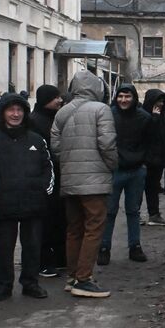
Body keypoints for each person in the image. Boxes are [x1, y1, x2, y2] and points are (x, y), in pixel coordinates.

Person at [50, 70, 117, 298]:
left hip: (70, 179)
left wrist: (70, 164)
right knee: (94, 227)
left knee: (74, 229)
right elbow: (107, 144)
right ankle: (84, 278)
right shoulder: (102, 110)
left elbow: (56, 148)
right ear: (97, 88)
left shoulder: (62, 112)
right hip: (94, 181)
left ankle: (72, 275)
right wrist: (111, 165)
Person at [0, 92, 51, 301]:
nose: (15, 114)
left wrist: (44, 188)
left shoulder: (37, 140)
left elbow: (48, 167)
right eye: (11, 109)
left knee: (32, 246)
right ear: (2, 113)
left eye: (20, 110)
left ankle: (30, 283)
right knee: (4, 247)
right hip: (5, 204)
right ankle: (3, 286)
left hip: (34, 203)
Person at [99, 83, 152, 266]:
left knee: (133, 211)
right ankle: (104, 248)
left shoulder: (144, 117)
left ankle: (135, 246)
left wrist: (143, 161)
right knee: (109, 211)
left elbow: (150, 141)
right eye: (121, 96)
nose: (124, 100)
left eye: (128, 96)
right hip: (114, 170)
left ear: (134, 97)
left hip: (136, 170)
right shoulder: (108, 115)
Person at [29, 84, 67, 279]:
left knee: (60, 219)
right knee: (45, 223)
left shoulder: (56, 118)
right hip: (43, 180)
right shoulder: (35, 121)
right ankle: (44, 261)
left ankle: (61, 258)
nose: (60, 100)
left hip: (59, 177)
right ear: (45, 100)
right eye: (55, 98)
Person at [142, 89, 165, 228]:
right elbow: (148, 134)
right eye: (158, 102)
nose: (161, 104)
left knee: (153, 188)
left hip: (158, 159)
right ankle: (136, 214)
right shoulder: (144, 116)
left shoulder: (163, 118)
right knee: (140, 189)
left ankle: (154, 214)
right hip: (144, 159)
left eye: (162, 101)